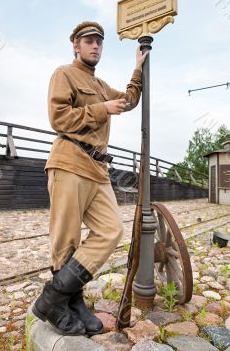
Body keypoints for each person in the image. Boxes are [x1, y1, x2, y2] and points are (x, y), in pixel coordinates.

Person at [32, 21, 148, 336]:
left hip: (98, 169)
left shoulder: (100, 85)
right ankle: (70, 301)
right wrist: (100, 109)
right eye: (88, 41)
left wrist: (138, 68)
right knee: (65, 240)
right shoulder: (64, 74)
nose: (95, 46)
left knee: (111, 230)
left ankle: (54, 298)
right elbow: (58, 117)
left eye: (99, 41)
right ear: (75, 45)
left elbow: (128, 100)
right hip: (70, 160)